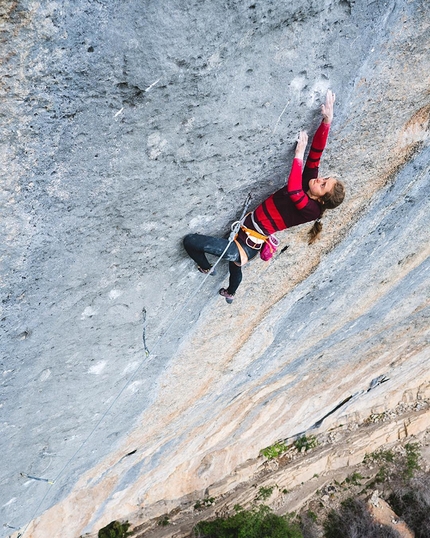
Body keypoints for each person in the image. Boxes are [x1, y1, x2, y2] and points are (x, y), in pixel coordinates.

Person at [183, 90, 345, 304]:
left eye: (323, 185)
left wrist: (298, 155)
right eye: (324, 178)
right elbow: (316, 154)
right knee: (236, 266)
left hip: (248, 243)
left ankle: (207, 268)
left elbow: (295, 191)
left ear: (321, 200)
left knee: (191, 242)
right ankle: (230, 293)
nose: (319, 179)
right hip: (247, 234)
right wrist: (327, 120)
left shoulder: (311, 210)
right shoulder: (310, 185)